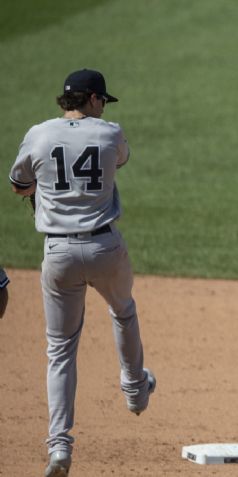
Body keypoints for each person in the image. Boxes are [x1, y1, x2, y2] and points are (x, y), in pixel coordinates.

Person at [9, 68, 156, 476]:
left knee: (60, 349)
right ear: (92, 99)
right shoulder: (110, 133)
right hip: (104, 245)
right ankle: (135, 390)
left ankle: (59, 447)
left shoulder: (38, 133)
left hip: (57, 253)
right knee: (123, 310)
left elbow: (18, 183)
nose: (104, 106)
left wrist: (41, 190)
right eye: (102, 100)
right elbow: (119, 161)